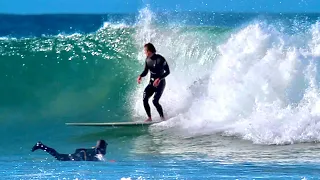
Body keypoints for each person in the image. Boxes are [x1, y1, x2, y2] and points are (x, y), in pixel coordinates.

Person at [137, 43, 170, 122]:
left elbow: (168, 71)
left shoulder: (160, 59)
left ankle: (162, 118)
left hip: (160, 84)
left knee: (155, 101)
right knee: (145, 98)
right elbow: (146, 71)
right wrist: (140, 76)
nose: (144, 52)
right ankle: (149, 118)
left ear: (148, 51)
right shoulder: (147, 59)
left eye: (145, 51)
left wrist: (159, 79)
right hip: (151, 84)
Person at [31, 139, 107, 161]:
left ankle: (41, 146)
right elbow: (100, 154)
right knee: (59, 157)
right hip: (80, 156)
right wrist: (105, 161)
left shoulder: (95, 149)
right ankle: (41, 146)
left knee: (59, 156)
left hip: (79, 154)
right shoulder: (100, 150)